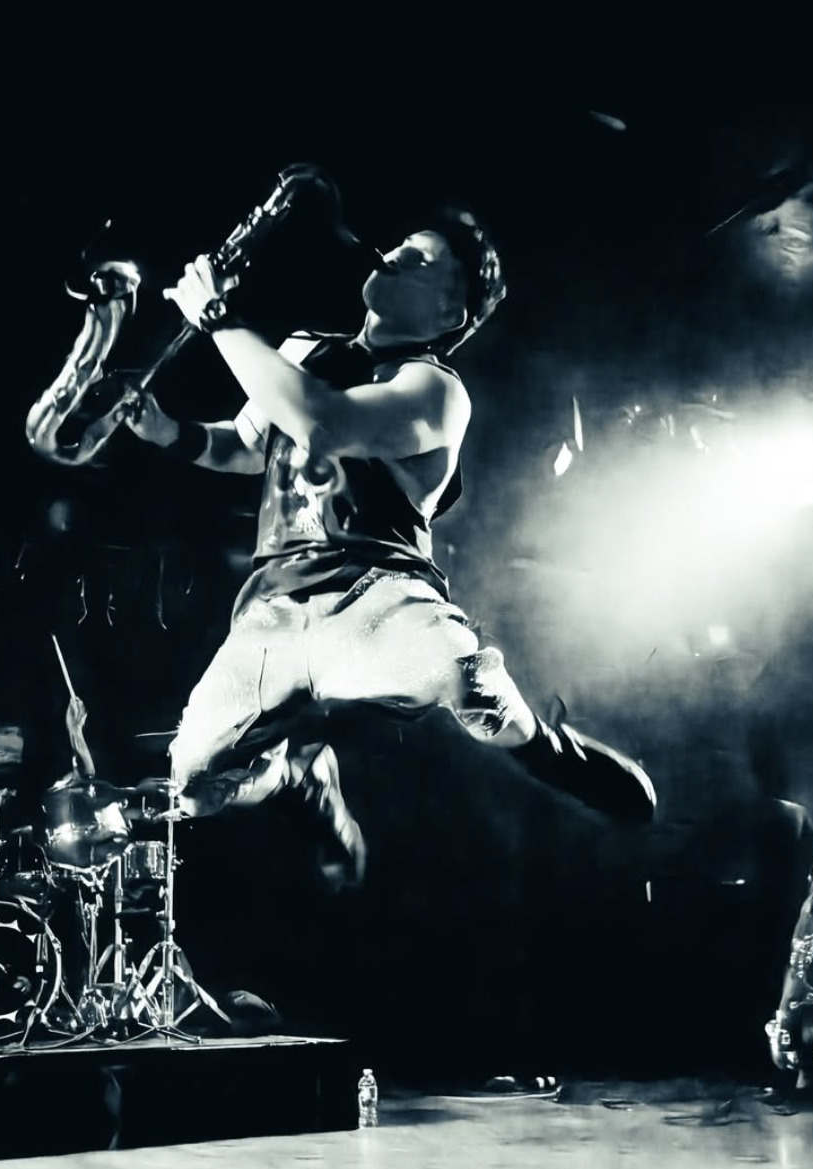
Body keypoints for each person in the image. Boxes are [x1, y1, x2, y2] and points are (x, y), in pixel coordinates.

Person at [126, 205, 656, 884]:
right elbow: (246, 446)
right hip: (273, 606)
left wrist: (218, 319)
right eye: (401, 245)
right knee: (193, 783)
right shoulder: (304, 351)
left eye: (420, 259)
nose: (394, 255)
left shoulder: (436, 388)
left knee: (469, 683)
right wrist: (168, 432)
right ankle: (296, 777)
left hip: (374, 595)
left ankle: (550, 752)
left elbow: (321, 423)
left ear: (448, 313)